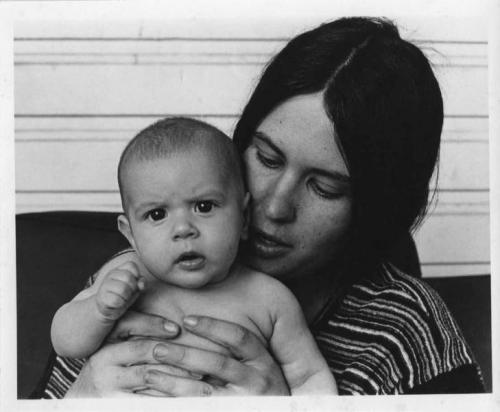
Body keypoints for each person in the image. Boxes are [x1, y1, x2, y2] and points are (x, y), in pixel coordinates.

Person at [41, 17, 484, 397]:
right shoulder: (134, 276)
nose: (273, 207)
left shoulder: (400, 332)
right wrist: (80, 395)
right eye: (267, 159)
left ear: (375, 209)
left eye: (324, 187)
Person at [49, 117, 337, 395]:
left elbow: (309, 377)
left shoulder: (271, 300)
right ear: (131, 235)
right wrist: (99, 310)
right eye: (157, 214)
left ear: (244, 217)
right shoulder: (122, 275)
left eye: (204, 206)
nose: (184, 229)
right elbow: (65, 342)